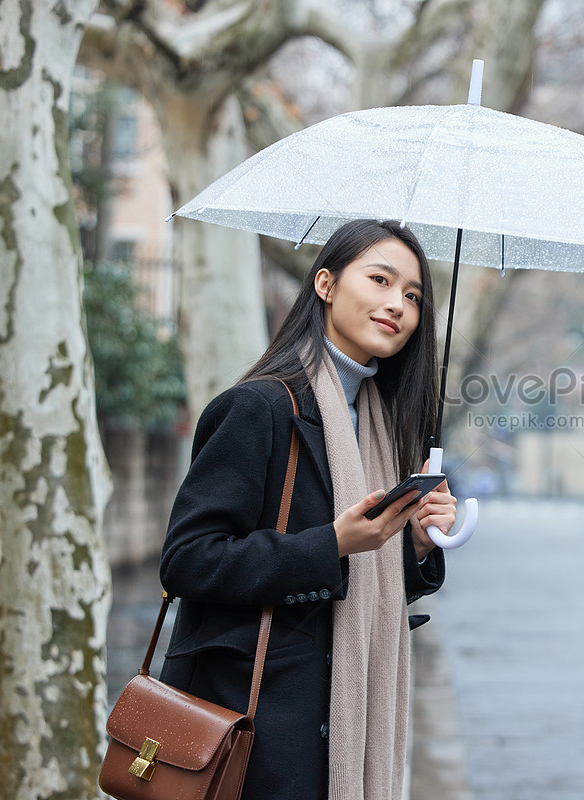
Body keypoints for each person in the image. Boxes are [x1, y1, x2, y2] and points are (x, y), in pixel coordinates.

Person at [158, 219, 457, 800]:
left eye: (413, 296)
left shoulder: (380, 426)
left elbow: (363, 585)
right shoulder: (259, 407)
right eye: (380, 280)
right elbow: (187, 561)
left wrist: (414, 546)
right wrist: (332, 544)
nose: (397, 304)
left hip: (340, 725)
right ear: (325, 284)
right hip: (256, 732)